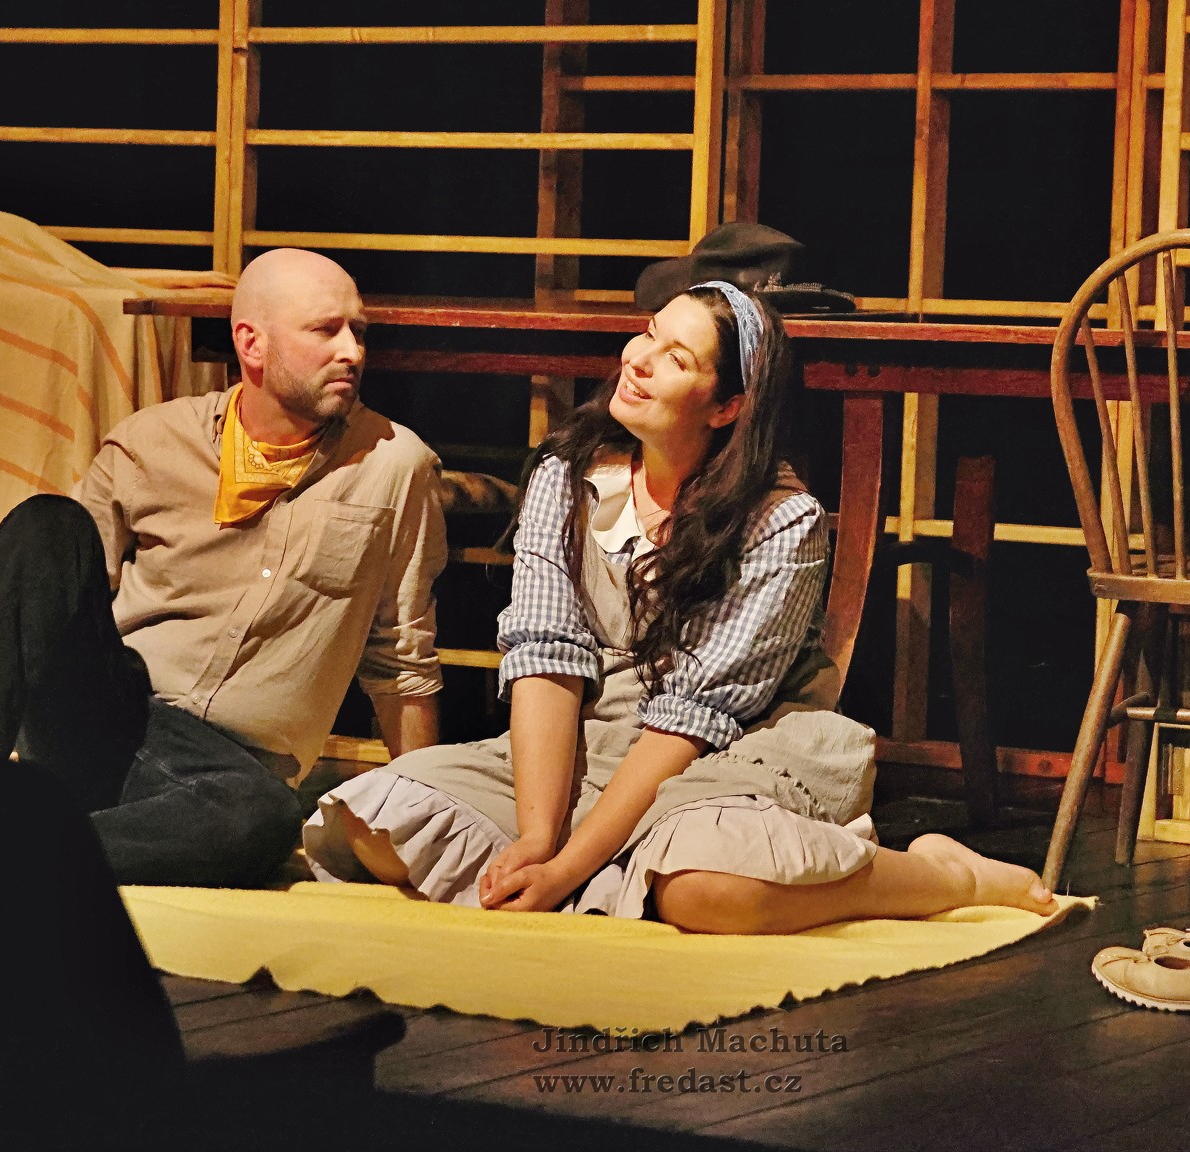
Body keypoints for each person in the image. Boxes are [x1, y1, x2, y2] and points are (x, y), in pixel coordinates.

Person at [305, 282, 1055, 932]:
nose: (638, 359)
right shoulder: (567, 474)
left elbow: (691, 719)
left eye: (676, 358)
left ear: (727, 407)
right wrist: (537, 838)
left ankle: (945, 876)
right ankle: (609, 870)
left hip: (732, 746)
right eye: (648, 334)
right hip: (596, 733)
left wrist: (565, 869)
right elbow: (547, 658)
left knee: (704, 890)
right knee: (378, 825)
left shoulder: (780, 521)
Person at [0, 248, 448, 887]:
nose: (352, 352)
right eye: (326, 330)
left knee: (265, 819)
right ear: (251, 343)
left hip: (228, 773)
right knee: (47, 522)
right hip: (110, 715)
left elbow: (400, 660)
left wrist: (426, 820)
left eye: (359, 332)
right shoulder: (154, 442)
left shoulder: (396, 466)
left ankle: (11, 850)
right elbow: (58, 595)